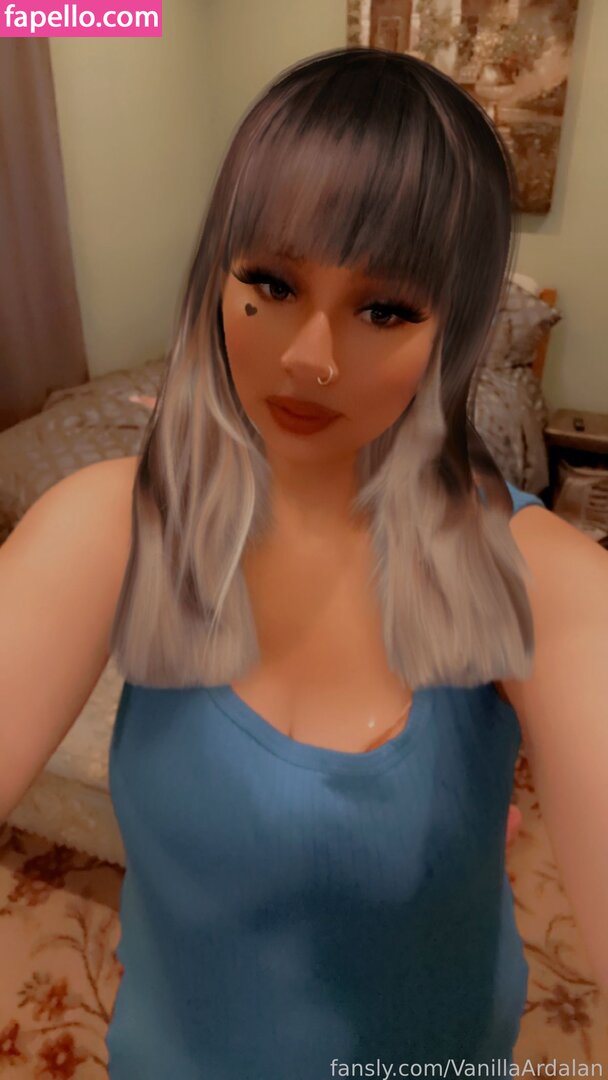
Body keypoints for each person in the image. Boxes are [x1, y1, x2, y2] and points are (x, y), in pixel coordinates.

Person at [2, 45, 607, 1079]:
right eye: (272, 283)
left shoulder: (536, 572)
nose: (308, 357)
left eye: (385, 309)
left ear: (459, 330)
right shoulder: (108, 524)